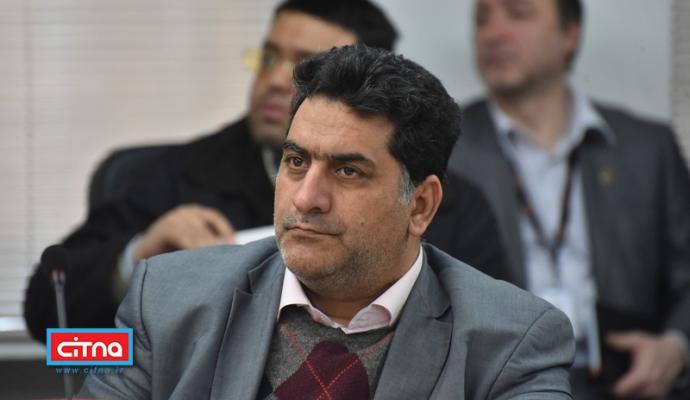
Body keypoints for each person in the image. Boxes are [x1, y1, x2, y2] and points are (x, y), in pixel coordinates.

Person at [79, 44, 575, 400]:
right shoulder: (164, 300)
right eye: (296, 162)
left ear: (421, 205)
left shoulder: (512, 342)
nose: (306, 198)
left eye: (347, 171)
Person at [24, 0, 509, 343]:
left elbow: (494, 340)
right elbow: (53, 326)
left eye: (306, 66)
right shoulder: (166, 176)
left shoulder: (448, 205)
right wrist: (135, 260)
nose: (276, 79)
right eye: (270, 56)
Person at [449, 0, 690, 398]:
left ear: (569, 34)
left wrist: (676, 347)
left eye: (518, 14)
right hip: (499, 386)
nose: (493, 33)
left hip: (626, 382)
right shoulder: (446, 153)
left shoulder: (646, 149)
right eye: (482, 19)